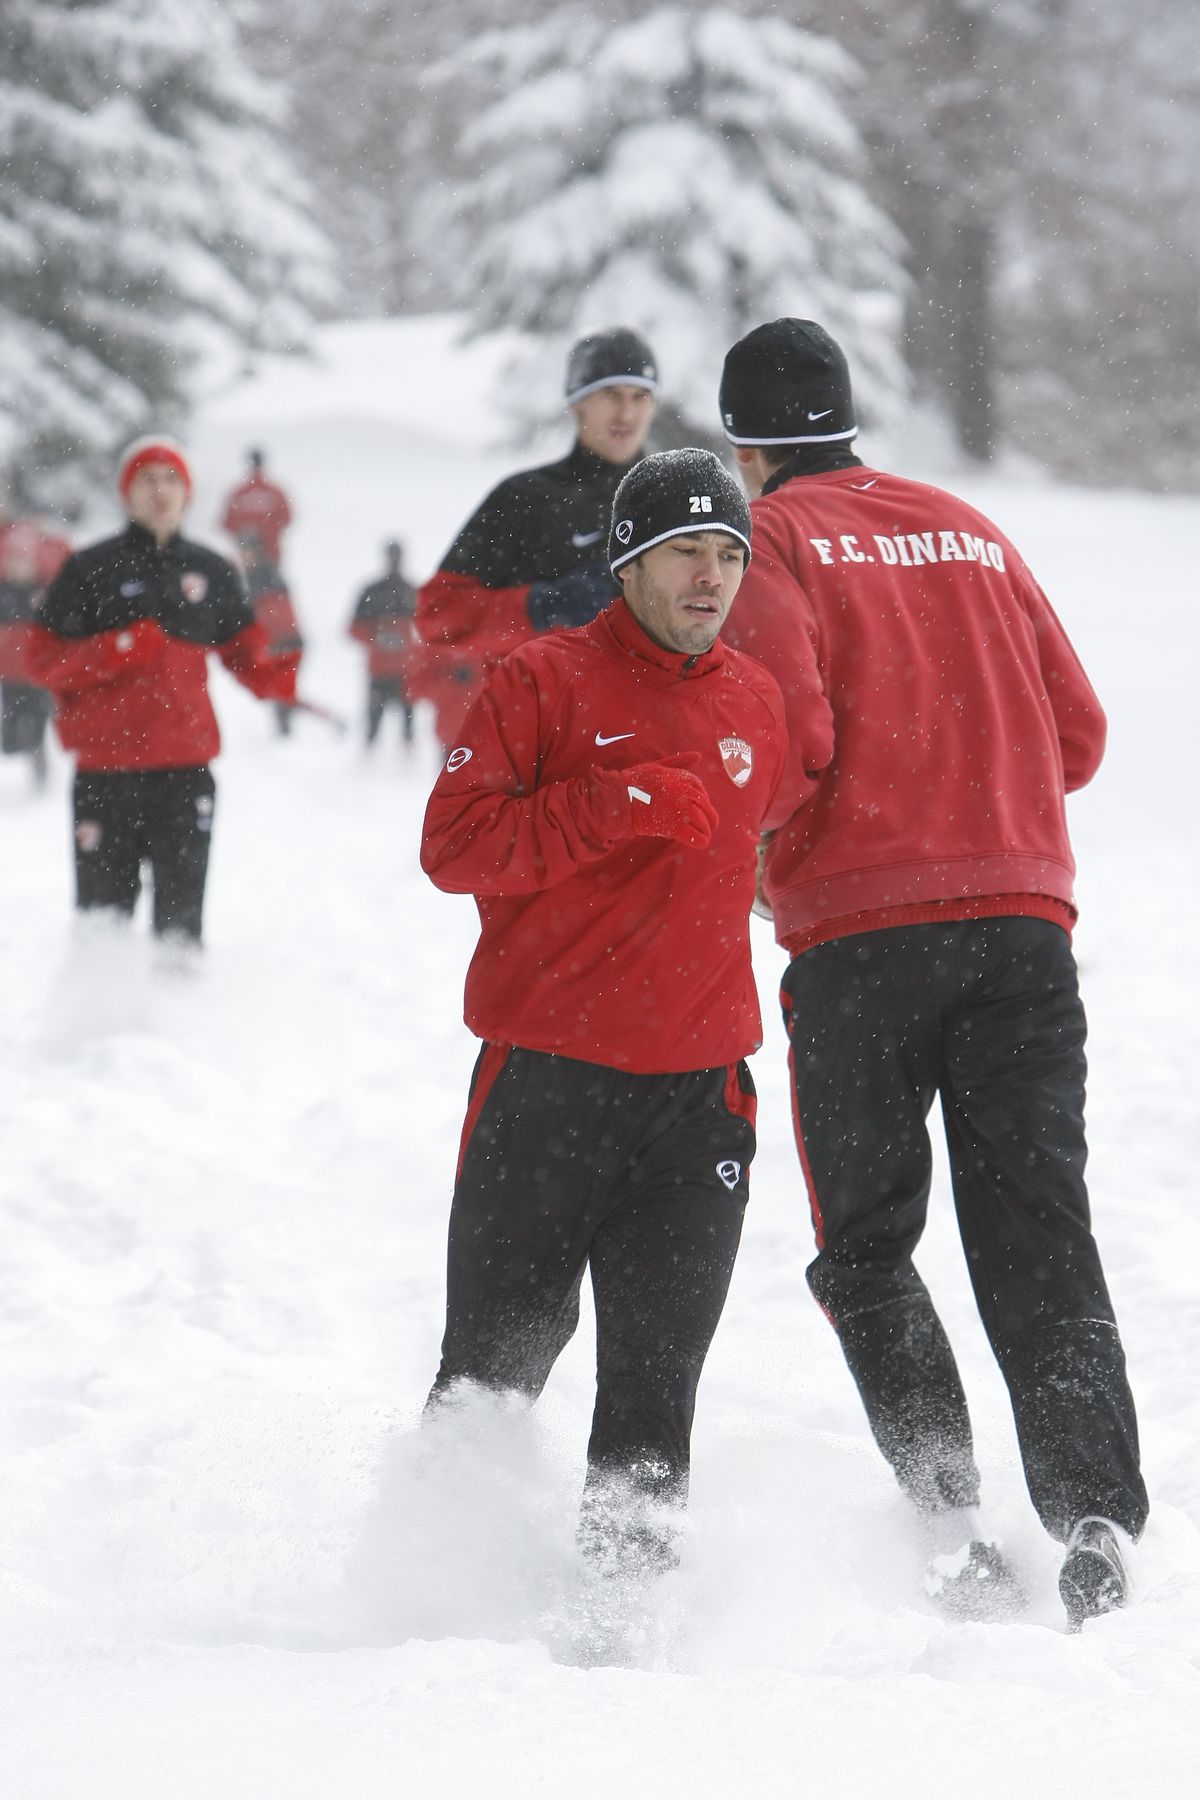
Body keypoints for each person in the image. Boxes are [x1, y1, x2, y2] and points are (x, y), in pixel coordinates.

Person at [717, 318, 1149, 1628]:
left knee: (867, 1241)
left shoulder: (778, 544)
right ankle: (1091, 1515)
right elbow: (1077, 733)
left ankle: (951, 1511)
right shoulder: (968, 527)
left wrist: (766, 842)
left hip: (859, 940)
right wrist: (982, 797)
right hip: (1023, 929)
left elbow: (787, 730)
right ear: (849, 419)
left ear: (745, 451)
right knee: (1036, 1224)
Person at [420, 449, 786, 1595]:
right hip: (549, 1083)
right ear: (627, 562)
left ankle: (625, 1617)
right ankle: (423, 1588)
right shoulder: (538, 682)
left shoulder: (756, 701)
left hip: (700, 1102)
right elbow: (455, 846)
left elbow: (756, 860)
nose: (710, 575)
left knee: (655, 1381)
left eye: (729, 554)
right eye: (685, 549)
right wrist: (606, 805)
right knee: (494, 1366)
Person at [26, 436, 300, 948]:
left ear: (188, 493)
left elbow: (245, 649)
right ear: (126, 491)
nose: (160, 490)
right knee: (101, 920)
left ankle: (178, 1018)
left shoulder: (211, 569)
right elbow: (41, 660)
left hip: (184, 772)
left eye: (171, 478)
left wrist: (276, 672)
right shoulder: (89, 568)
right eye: (147, 478)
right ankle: (97, 1017)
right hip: (105, 774)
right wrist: (119, 647)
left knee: (181, 923)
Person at [413, 327, 659, 750]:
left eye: (640, 396)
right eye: (610, 395)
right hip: (534, 745)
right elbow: (437, 614)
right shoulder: (525, 499)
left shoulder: (674, 497)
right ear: (577, 402)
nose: (626, 413)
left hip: (650, 743)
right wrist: (540, 606)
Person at [0, 516, 67, 787]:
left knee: (39, 716)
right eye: (13, 561)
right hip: (9, 673)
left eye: (23, 560)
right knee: (13, 721)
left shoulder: (43, 592)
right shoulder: (3, 593)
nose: (18, 567)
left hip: (38, 672)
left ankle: (39, 760)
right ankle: (20, 749)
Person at [348, 539, 418, 750]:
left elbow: (428, 631)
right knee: (372, 728)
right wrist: (376, 638)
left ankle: (406, 771)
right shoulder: (372, 592)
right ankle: (369, 768)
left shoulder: (412, 592)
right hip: (379, 671)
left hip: (406, 672)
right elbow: (353, 628)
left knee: (408, 732)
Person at [238, 532, 304, 736]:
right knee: (278, 689)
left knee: (281, 689)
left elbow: (275, 610)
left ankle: (286, 732)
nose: (246, 556)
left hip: (282, 638)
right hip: (275, 638)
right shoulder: (254, 575)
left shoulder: (265, 575)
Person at [220, 448, 293, 566]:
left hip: (247, 558)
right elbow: (287, 518)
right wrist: (270, 535)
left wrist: (246, 540)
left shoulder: (239, 492)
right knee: (275, 584)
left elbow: (227, 522)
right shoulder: (274, 491)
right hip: (271, 554)